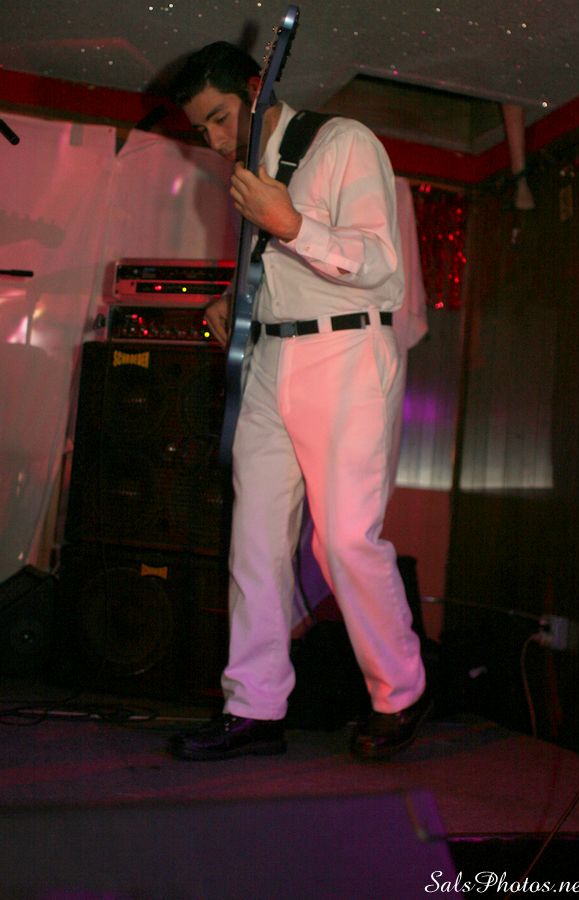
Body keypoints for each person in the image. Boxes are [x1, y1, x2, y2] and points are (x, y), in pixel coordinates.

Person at [166, 41, 430, 761]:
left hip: (346, 352)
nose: (214, 140)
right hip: (270, 357)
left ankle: (401, 692)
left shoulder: (342, 142)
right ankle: (254, 708)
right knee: (254, 540)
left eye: (220, 118)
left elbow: (381, 266)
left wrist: (291, 224)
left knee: (342, 538)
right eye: (201, 130)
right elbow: (281, 270)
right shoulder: (251, 171)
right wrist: (234, 299)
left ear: (257, 88)